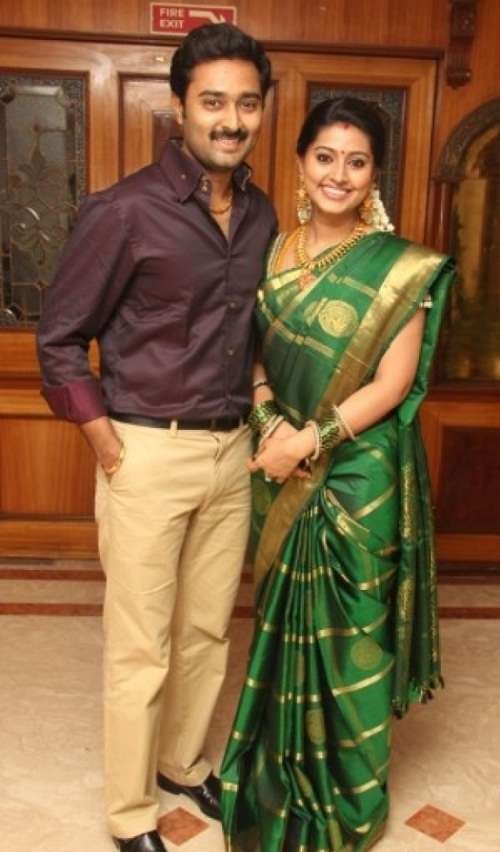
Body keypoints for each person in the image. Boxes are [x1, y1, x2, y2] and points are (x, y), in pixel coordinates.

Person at [37, 23, 276, 852]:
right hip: (146, 451)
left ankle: (183, 762)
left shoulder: (261, 214)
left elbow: (250, 332)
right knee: (141, 647)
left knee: (209, 630)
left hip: (231, 453)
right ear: (180, 107)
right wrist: (108, 446)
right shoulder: (124, 211)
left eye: (247, 103)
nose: (231, 120)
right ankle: (130, 813)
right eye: (213, 102)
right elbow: (59, 339)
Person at [220, 96, 455, 851]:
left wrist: (309, 441)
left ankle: (352, 794)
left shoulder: (400, 268)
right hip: (278, 454)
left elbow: (393, 383)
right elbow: (252, 354)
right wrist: (268, 420)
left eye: (357, 162)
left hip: (360, 473)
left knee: (354, 626)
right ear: (301, 162)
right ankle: (280, 766)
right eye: (325, 157)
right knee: (286, 618)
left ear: (374, 174)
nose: (338, 175)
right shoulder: (271, 250)